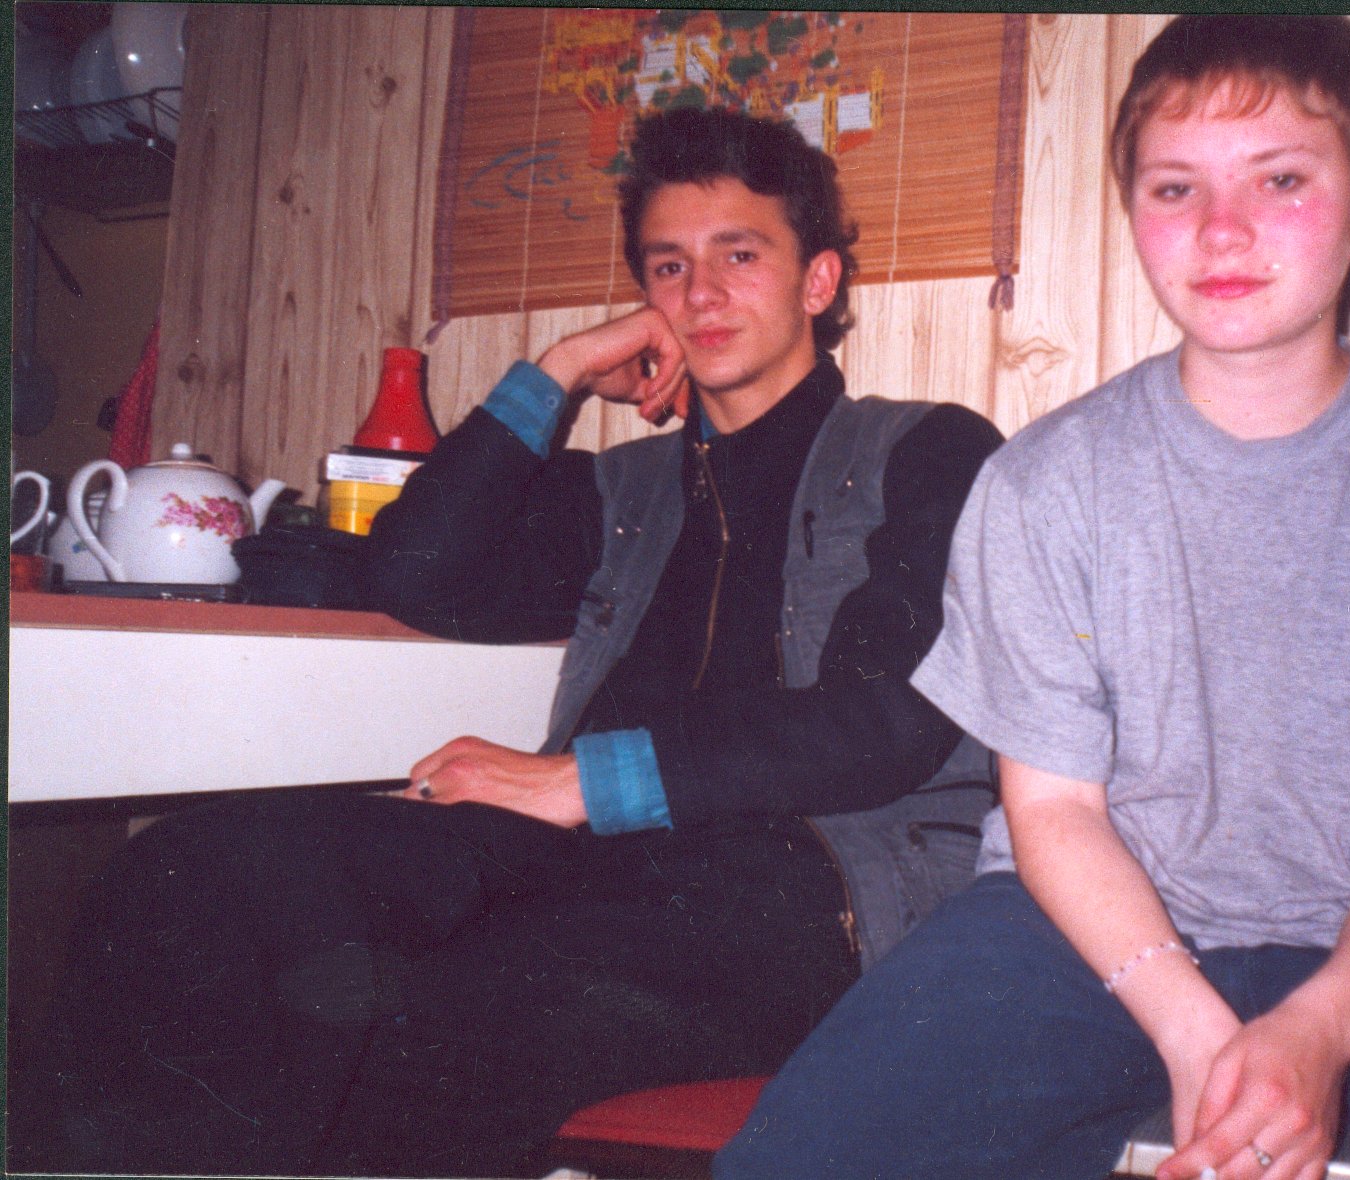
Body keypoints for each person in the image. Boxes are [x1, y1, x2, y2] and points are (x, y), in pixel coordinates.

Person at [713, 16, 1350, 1180]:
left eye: (1279, 179)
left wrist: (1320, 1028)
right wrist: (1189, 1026)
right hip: (1076, 934)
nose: (1221, 228)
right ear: (1132, 213)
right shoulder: (1041, 484)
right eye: (1175, 188)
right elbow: (1051, 813)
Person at [29, 107, 1002, 1179]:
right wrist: (558, 369)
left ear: (817, 281)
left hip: (808, 888)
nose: (700, 294)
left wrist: (580, 781)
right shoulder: (625, 490)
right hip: (583, 854)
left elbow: (885, 722)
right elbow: (413, 570)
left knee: (418, 1030)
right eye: (668, 267)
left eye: (740, 255)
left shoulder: (927, 450)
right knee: (189, 874)